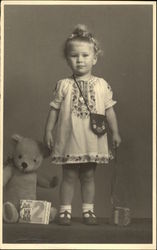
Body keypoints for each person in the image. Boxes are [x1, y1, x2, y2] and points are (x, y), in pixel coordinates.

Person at [44, 24, 121, 225]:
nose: (80, 60)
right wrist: (48, 130)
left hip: (92, 138)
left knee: (88, 176)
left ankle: (88, 210)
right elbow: (54, 110)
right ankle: (65, 211)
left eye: (85, 55)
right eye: (74, 55)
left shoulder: (102, 85)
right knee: (68, 175)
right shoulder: (64, 85)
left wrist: (115, 133)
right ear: (67, 58)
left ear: (94, 58)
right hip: (70, 137)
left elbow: (109, 111)